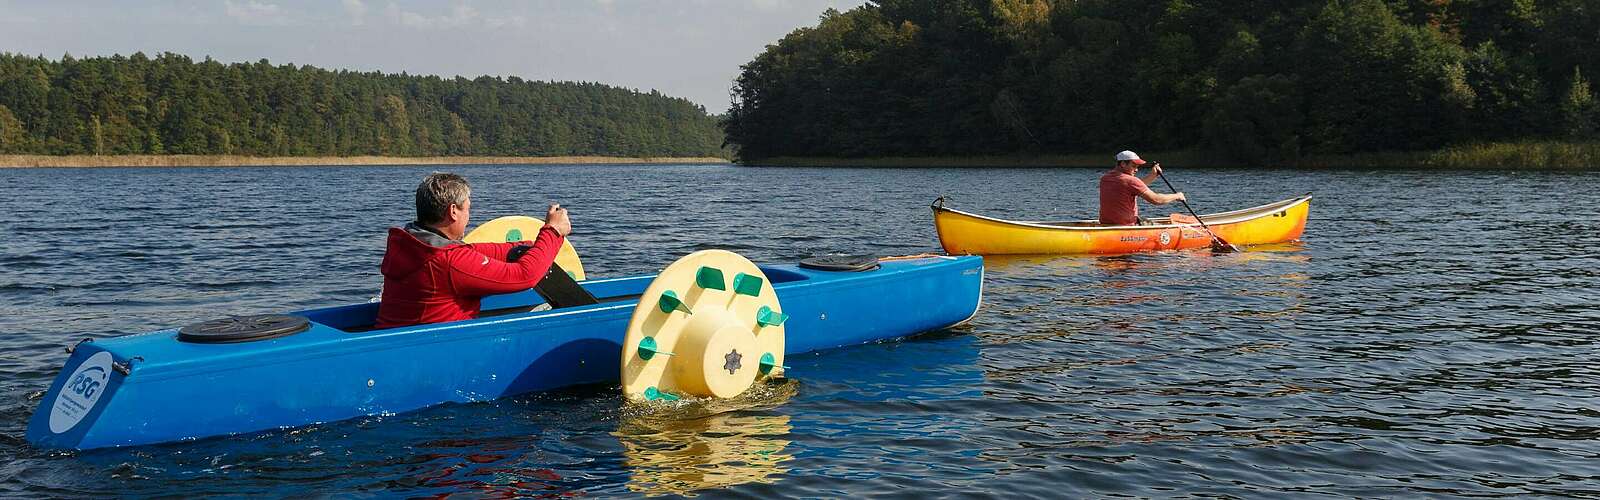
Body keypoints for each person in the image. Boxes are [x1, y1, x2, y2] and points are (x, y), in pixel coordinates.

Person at [374, 172, 573, 329]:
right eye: (467, 209)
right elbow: (524, 276)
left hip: (404, 345)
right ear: (453, 211)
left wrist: (534, 246)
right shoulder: (449, 261)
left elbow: (475, 251)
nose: (469, 217)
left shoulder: (414, 246)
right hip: (435, 354)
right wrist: (553, 232)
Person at [1099, 150, 1185, 226]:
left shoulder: (1105, 178)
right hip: (1127, 225)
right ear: (1123, 164)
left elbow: (1133, 188)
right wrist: (1177, 196)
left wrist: (1153, 176)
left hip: (1106, 224)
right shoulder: (1130, 181)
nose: (1136, 170)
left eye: (1137, 167)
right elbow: (1157, 200)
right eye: (1133, 166)